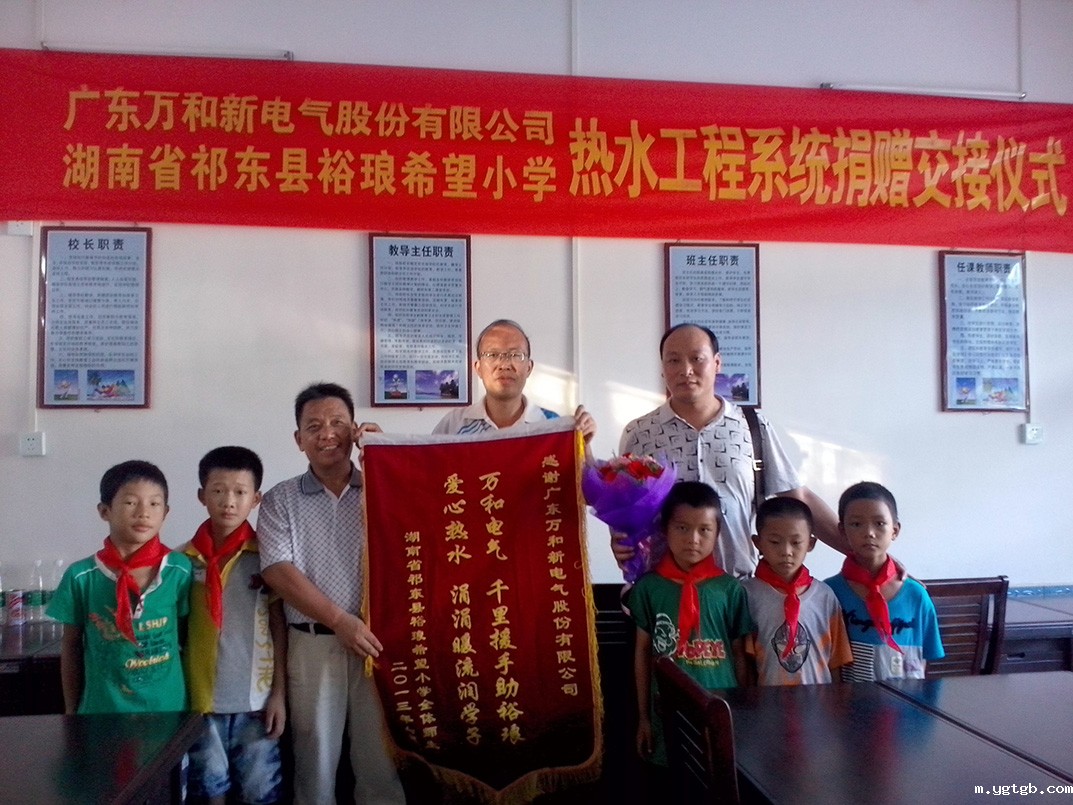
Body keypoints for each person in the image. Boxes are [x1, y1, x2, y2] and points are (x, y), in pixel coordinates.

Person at [257, 382, 405, 805]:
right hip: (312, 646)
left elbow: (415, 536)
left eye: (338, 423)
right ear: (298, 439)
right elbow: (277, 570)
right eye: (314, 426)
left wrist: (384, 460)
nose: (327, 434)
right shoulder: (281, 499)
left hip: (375, 645)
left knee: (380, 764)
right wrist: (340, 621)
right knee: (315, 765)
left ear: (354, 429)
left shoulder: (381, 489)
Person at [615, 323, 848, 578]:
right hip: (663, 589)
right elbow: (622, 508)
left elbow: (798, 497)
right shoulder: (639, 433)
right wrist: (619, 540)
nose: (686, 370)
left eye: (697, 359)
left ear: (717, 363)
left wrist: (860, 553)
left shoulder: (753, 427)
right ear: (662, 368)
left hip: (738, 587)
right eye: (673, 360)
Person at [183, 446, 286, 805]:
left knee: (261, 792)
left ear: (256, 499)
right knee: (209, 791)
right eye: (218, 490)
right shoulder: (182, 562)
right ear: (201, 496)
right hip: (200, 703)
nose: (229, 501)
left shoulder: (269, 560)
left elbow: (279, 628)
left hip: (256, 702)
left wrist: (279, 694)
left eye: (240, 492)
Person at [47, 460, 192, 714]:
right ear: (105, 511)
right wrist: (71, 711)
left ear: (166, 512)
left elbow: (186, 638)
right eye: (130, 503)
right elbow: (71, 646)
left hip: (169, 710)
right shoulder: (81, 576)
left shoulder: (179, 569)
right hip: (102, 713)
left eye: (154, 504)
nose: (143, 513)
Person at [629, 481, 753, 766]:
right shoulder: (649, 588)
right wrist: (643, 717)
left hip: (722, 708)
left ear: (717, 533)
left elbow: (740, 655)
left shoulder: (730, 589)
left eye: (704, 530)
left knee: (720, 776)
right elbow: (642, 653)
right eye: (682, 528)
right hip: (667, 709)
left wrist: (744, 713)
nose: (693, 539)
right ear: (665, 529)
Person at [825, 481, 944, 681]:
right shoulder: (829, 593)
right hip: (849, 699)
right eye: (856, 524)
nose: (869, 533)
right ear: (842, 531)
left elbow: (925, 659)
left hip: (905, 698)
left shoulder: (916, 595)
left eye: (879, 523)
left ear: (895, 530)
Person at [741, 496, 852, 685]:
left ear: (810, 544)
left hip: (819, 699)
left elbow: (836, 660)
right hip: (768, 700)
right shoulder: (746, 594)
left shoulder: (825, 596)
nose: (786, 551)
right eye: (775, 542)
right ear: (757, 542)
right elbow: (745, 662)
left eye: (796, 542)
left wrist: (836, 698)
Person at [433, 318, 596, 443]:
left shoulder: (552, 425)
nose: (504, 365)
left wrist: (583, 447)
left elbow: (579, 476)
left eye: (516, 355)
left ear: (529, 368)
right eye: (492, 355)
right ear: (478, 368)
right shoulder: (453, 425)